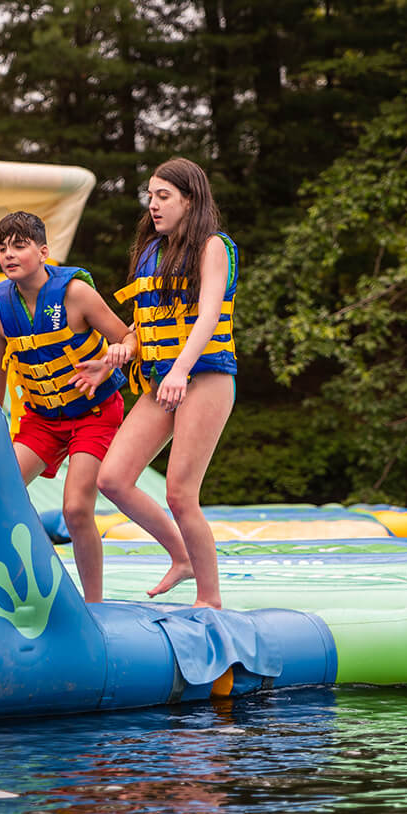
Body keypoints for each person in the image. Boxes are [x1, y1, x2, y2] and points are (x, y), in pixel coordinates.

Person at [96, 157, 238, 609]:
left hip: (206, 377)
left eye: (164, 196)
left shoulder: (212, 246)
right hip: (164, 381)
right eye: (150, 196)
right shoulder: (152, 251)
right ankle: (181, 556)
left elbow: (210, 312)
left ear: (189, 200)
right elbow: (147, 325)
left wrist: (180, 370)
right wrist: (120, 351)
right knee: (113, 478)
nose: (153, 205)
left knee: (179, 491)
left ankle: (209, 600)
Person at [0, 211, 135, 604]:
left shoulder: (76, 295)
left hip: (94, 414)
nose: (9, 255)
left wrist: (106, 365)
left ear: (44, 251)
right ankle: (23, 586)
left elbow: (128, 339)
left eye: (20, 246)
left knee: (75, 508)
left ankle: (94, 605)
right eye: (2, 249)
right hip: (42, 420)